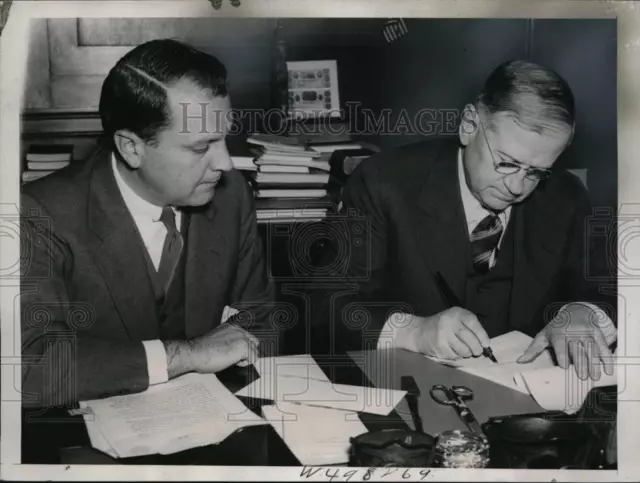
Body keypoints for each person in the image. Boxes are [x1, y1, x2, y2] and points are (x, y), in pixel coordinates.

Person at [320, 60, 616, 381]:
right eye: (505, 163)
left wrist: (583, 312)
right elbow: (324, 304)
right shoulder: (383, 183)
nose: (517, 187)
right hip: (410, 397)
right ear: (469, 125)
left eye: (536, 172)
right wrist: (413, 330)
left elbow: (607, 290)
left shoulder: (564, 197)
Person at [20, 39, 279, 408]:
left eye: (223, 139)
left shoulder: (231, 194)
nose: (224, 163)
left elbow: (263, 317)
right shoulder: (39, 214)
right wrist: (186, 355)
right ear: (131, 148)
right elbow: (28, 365)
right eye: (199, 147)